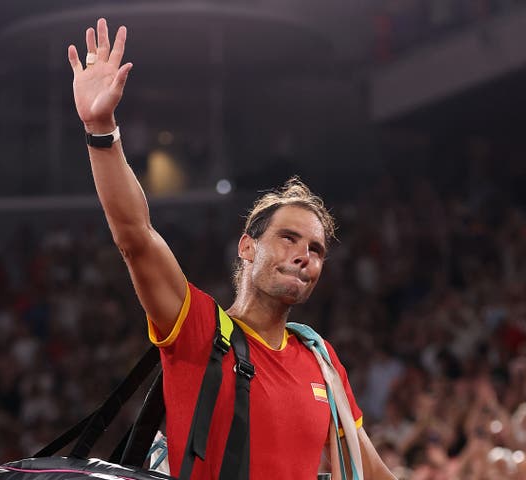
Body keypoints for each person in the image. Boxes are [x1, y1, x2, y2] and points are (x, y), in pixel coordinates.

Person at [67, 18, 397, 480]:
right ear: (247, 246)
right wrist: (101, 130)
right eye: (288, 238)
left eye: (317, 249)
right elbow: (135, 237)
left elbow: (370, 470)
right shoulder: (200, 331)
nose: (306, 255)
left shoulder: (321, 361)